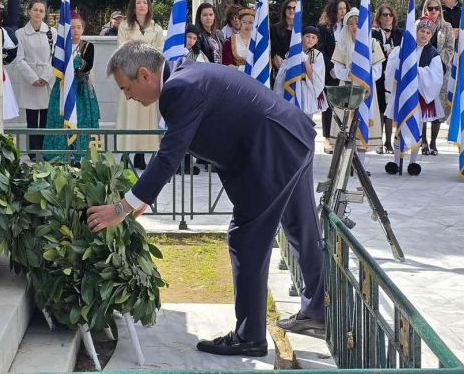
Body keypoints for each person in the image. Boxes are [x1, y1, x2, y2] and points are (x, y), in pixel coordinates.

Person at [86, 41, 325, 356]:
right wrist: (143, 196)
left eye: (126, 88)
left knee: (246, 238)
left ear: (144, 74)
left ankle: (250, 336)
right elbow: (182, 146)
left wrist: (122, 207)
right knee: (301, 229)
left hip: (273, 152)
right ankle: (318, 311)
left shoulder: (178, 89)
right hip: (291, 138)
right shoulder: (185, 76)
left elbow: (169, 155)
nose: (127, 97)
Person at [384, 16, 443, 175]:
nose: (424, 35)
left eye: (428, 32)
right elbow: (391, 70)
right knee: (400, 125)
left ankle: (413, 162)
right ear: (415, 31)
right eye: (421, 31)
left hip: (419, 95)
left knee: (416, 126)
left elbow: (436, 76)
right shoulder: (401, 50)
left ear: (431, 35)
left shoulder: (433, 54)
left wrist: (416, 71)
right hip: (402, 93)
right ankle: (396, 161)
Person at [116, 0, 165, 170]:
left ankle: (140, 155)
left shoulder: (156, 28)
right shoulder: (124, 26)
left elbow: (159, 51)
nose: (142, 5)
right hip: (130, 76)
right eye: (138, 3)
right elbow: (122, 48)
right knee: (128, 116)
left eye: (145, 2)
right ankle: (125, 155)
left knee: (146, 117)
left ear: (149, 6)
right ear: (133, 6)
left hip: (148, 78)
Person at [44, 13, 100, 160]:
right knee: (60, 119)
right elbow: (55, 65)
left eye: (78, 27)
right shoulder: (60, 46)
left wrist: (75, 68)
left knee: (82, 121)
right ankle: (59, 155)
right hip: (62, 88)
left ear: (83, 29)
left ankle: (81, 155)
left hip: (81, 89)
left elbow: (88, 65)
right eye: (72, 28)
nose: (75, 30)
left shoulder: (88, 46)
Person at [330, 8, 386, 154]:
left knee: (363, 125)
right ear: (347, 26)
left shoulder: (373, 44)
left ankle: (361, 164)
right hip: (347, 90)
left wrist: (363, 76)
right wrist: (349, 74)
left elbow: (378, 70)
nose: (355, 27)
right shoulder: (341, 44)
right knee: (346, 127)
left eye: (358, 23)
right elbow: (337, 69)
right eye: (351, 24)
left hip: (366, 91)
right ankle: (345, 165)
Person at [12, 0, 56, 159]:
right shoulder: (20, 33)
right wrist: (33, 78)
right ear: (29, 11)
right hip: (30, 80)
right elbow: (19, 59)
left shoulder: (52, 32)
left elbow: (55, 58)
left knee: (46, 117)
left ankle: (43, 151)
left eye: (41, 10)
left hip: (47, 80)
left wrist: (45, 76)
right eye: (35, 10)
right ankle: (32, 152)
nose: (38, 13)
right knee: (31, 119)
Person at [420, 0, 454, 156]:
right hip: (422, 70)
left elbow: (450, 48)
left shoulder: (446, 27)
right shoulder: (419, 25)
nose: (433, 11)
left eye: (436, 8)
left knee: (437, 106)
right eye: (430, 8)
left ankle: (433, 141)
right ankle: (423, 140)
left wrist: (438, 62)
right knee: (422, 106)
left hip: (439, 70)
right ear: (425, 9)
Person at [272, 25, 327, 116]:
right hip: (292, 88)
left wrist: (305, 60)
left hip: (307, 92)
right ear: (302, 37)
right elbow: (284, 71)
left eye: (313, 37)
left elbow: (314, 77)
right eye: (307, 36)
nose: (310, 39)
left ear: (317, 40)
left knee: (306, 119)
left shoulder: (318, 55)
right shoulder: (292, 52)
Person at [318, 0, 348, 153]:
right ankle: (327, 138)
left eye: (344, 9)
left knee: (344, 106)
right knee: (329, 106)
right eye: (340, 9)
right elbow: (321, 50)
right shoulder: (324, 28)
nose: (343, 12)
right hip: (330, 72)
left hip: (345, 71)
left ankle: (342, 138)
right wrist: (331, 68)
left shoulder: (349, 27)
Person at [372, 5, 403, 154]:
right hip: (378, 75)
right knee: (379, 108)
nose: (388, 17)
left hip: (393, 76)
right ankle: (378, 140)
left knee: (390, 108)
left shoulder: (400, 34)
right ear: (379, 17)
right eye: (384, 15)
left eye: (390, 15)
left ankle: (388, 142)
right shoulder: (373, 34)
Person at [270, 0, 297, 85]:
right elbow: (275, 51)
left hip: (298, 71)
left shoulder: (301, 30)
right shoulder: (275, 28)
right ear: (284, 10)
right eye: (289, 8)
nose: (292, 10)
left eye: (294, 8)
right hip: (281, 71)